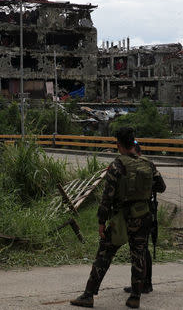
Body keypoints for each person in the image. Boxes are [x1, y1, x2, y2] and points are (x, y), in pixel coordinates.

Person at [70, 127, 166, 309]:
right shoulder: (148, 163)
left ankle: (88, 295)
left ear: (118, 144)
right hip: (144, 215)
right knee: (139, 255)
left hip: (122, 218)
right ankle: (135, 297)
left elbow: (107, 197)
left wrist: (101, 222)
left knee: (105, 254)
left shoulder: (117, 166)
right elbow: (161, 187)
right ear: (134, 142)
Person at [123, 141, 166, 295]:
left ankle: (143, 284)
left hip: (141, 212)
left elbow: (161, 187)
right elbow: (161, 186)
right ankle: (142, 283)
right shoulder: (146, 165)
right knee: (141, 248)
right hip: (143, 212)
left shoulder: (143, 165)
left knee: (141, 249)